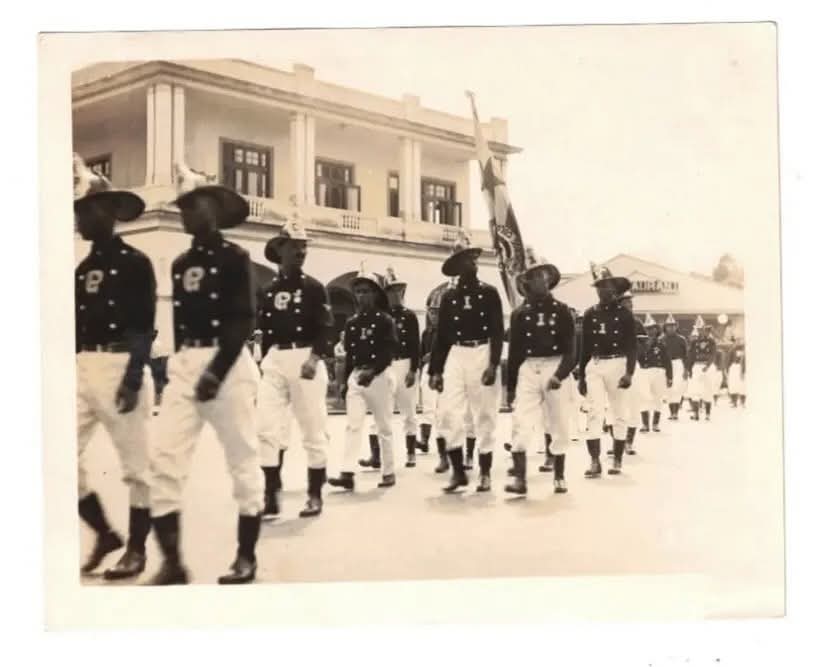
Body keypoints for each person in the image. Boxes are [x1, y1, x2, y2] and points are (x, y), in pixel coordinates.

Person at [147, 164, 263, 585]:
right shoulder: (179, 263)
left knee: (243, 460)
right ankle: (172, 563)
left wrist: (215, 371)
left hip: (228, 364)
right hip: (186, 363)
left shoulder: (235, 258)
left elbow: (242, 319)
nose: (184, 213)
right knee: (163, 458)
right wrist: (182, 367)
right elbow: (180, 324)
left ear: (211, 209)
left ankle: (246, 557)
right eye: (181, 207)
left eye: (191, 205)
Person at [73, 154, 156, 580]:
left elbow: (144, 326)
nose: (79, 219)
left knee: (136, 466)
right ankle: (105, 533)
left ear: (107, 212)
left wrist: (132, 376)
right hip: (83, 365)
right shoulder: (83, 268)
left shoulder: (135, 263)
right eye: (77, 211)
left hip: (122, 363)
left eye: (86, 210)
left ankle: (137, 549)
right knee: (56, 456)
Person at [256, 219, 334, 520]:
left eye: (304, 246)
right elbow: (265, 330)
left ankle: (314, 494)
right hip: (276, 360)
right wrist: (266, 361)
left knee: (313, 429)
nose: (301, 251)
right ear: (280, 249)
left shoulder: (314, 288)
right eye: (295, 246)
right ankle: (271, 492)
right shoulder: (268, 290)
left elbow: (326, 328)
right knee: (267, 428)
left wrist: (315, 358)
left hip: (306, 359)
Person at [428, 232, 504, 493]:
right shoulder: (449, 298)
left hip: (482, 351)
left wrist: (493, 364)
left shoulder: (489, 293)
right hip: (457, 355)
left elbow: (497, 331)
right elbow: (442, 336)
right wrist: (435, 369)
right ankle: (459, 472)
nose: (471, 263)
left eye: (473, 258)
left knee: (484, 415)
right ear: (457, 267)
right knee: (449, 412)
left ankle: (484, 472)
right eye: (465, 260)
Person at [504, 249, 576, 495]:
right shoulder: (519, 315)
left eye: (542, 275)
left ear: (549, 278)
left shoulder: (563, 311)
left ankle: (559, 475)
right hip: (528, 368)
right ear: (525, 283)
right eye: (533, 277)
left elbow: (571, 350)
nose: (539, 280)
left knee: (558, 422)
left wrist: (560, 374)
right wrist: (510, 387)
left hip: (554, 367)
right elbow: (514, 354)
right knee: (520, 421)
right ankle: (520, 479)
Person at [329, 266, 398, 490]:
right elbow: (349, 356)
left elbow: (389, 351)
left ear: (376, 294)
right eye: (358, 292)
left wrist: (374, 371)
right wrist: (344, 382)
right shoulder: (352, 323)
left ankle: (388, 471)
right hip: (357, 376)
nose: (362, 296)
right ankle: (347, 473)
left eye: (366, 291)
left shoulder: (385, 321)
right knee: (353, 425)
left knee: (384, 426)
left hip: (379, 375)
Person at [578, 264, 637, 477]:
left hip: (617, 363)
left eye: (607, 286)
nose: (604, 291)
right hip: (594, 365)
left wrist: (629, 372)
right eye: (600, 287)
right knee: (594, 412)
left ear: (615, 289)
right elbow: (585, 346)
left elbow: (632, 346)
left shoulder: (625, 315)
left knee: (619, 413)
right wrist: (582, 376)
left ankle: (618, 459)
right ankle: (594, 461)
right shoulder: (590, 314)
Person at [385, 267, 422, 467]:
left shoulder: (409, 316)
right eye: (391, 290)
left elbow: (416, 344)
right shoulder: (383, 316)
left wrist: (413, 369)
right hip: (388, 365)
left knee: (409, 411)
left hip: (405, 363)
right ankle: (379, 455)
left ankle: (410, 452)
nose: (396, 294)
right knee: (383, 411)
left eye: (399, 290)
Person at [616, 291, 647, 456]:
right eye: (626, 303)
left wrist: (632, 355)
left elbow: (643, 345)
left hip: (633, 366)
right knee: (614, 407)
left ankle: (628, 442)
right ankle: (617, 443)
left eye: (631, 303)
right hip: (614, 365)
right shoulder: (612, 322)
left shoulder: (637, 323)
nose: (630, 306)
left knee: (633, 405)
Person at [638, 314, 672, 432]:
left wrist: (669, 377)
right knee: (644, 397)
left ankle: (655, 424)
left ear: (656, 329)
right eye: (648, 328)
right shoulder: (640, 344)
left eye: (652, 328)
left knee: (657, 397)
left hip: (659, 372)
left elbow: (667, 361)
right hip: (644, 372)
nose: (650, 331)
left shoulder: (661, 344)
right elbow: (637, 359)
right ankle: (645, 424)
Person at [685, 318, 718, 421]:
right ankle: (696, 414)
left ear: (705, 329)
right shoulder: (694, 342)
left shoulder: (711, 341)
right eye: (698, 329)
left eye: (701, 329)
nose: (700, 331)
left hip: (707, 367)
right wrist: (688, 369)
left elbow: (713, 355)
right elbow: (690, 357)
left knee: (708, 389)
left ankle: (708, 414)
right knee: (695, 390)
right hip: (697, 366)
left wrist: (708, 366)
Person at [660, 313, 688, 420]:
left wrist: (686, 369)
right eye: (668, 326)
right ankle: (671, 412)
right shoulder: (661, 339)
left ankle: (676, 412)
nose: (671, 328)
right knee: (669, 389)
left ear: (676, 327)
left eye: (673, 326)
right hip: (666, 365)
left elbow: (686, 355)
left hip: (678, 364)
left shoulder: (682, 339)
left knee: (677, 388)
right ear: (665, 327)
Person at [727, 341, 746, 407]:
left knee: (742, 386)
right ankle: (734, 402)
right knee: (733, 385)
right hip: (734, 367)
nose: (738, 342)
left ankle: (743, 402)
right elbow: (729, 360)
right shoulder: (732, 350)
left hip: (742, 367)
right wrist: (728, 369)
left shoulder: (745, 349)